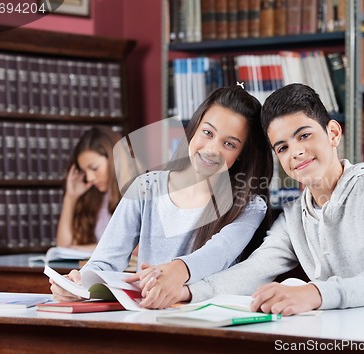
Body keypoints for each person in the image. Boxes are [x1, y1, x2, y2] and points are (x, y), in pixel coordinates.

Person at [183, 83, 364, 315]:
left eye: (304, 135)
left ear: (333, 133)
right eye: (282, 147)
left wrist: (314, 293)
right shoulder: (294, 218)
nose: (296, 152)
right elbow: (254, 270)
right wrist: (189, 292)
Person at [49, 86, 273, 309]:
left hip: (208, 320)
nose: (212, 149)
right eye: (208, 132)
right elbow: (105, 260)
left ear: (241, 155)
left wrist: (175, 271)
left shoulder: (250, 206)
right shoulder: (146, 187)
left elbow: (219, 252)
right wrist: (79, 283)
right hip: (147, 317)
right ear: (194, 128)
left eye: (229, 144)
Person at [56, 126, 122, 252]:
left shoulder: (141, 192)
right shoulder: (96, 198)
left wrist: (92, 249)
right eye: (84, 172)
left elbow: (139, 247)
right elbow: (64, 248)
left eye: (94, 168)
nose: (90, 178)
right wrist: (70, 198)